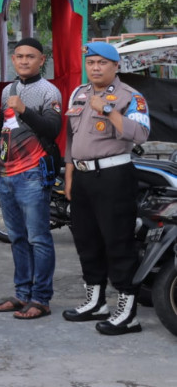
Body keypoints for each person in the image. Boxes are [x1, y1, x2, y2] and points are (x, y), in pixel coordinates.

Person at [62, 42, 150, 335]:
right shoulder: (79, 94)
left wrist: (109, 109)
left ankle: (127, 314)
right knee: (87, 241)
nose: (95, 68)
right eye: (91, 63)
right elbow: (72, 138)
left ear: (116, 66)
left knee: (118, 243)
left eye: (102, 63)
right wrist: (70, 174)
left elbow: (140, 134)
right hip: (83, 178)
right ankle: (95, 303)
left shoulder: (131, 97)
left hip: (114, 176)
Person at [0, 38, 62, 319]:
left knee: (38, 238)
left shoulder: (48, 91)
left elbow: (53, 129)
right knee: (17, 237)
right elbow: (2, 131)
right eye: (19, 56)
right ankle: (22, 294)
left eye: (30, 57)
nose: (23, 61)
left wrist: (24, 110)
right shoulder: (8, 90)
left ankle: (40, 298)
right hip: (7, 175)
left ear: (42, 60)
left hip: (33, 173)